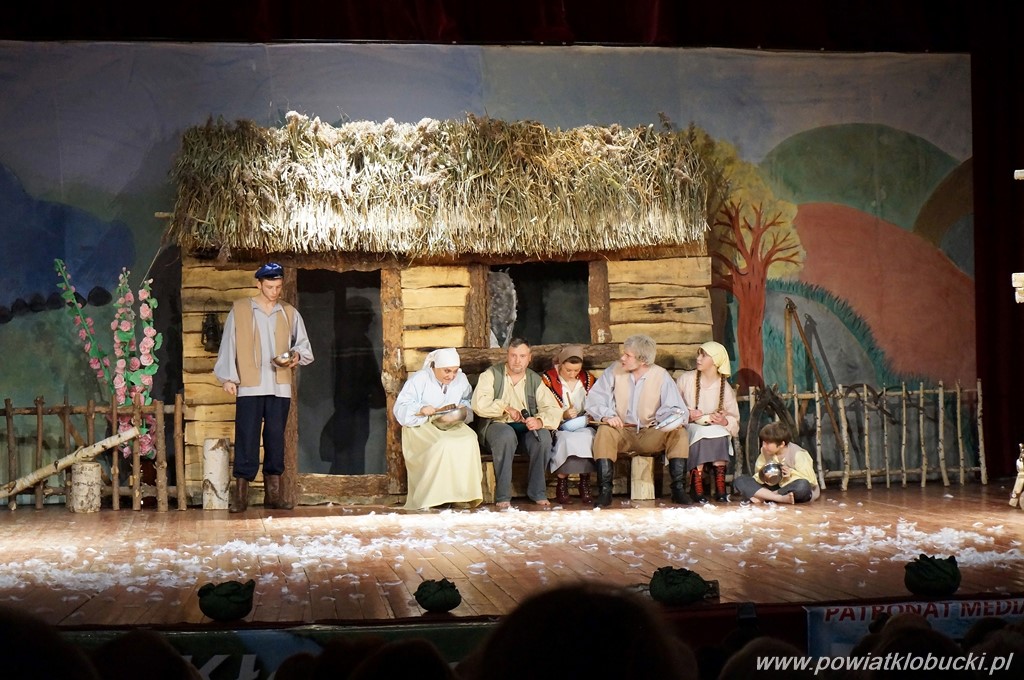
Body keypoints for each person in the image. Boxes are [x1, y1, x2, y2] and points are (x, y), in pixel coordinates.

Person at [214, 262, 314, 513]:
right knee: (246, 437)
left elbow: (303, 346)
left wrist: (295, 356)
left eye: (278, 287)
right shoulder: (241, 310)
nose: (274, 292)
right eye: (270, 287)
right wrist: (228, 378)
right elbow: (228, 345)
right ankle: (241, 495)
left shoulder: (288, 312)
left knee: (275, 439)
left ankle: (274, 494)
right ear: (258, 284)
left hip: (279, 386)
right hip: (250, 385)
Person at [585, 334, 692, 508]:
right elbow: (595, 398)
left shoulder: (660, 375)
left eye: (628, 355)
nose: (622, 358)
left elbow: (674, 407)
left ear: (642, 360)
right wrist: (607, 415)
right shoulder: (614, 370)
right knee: (605, 432)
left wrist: (673, 419)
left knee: (679, 433)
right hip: (622, 431)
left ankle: (678, 489)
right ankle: (605, 491)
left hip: (650, 432)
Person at [471, 338, 562, 509]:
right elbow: (479, 404)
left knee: (542, 438)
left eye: (522, 356)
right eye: (513, 355)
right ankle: (503, 495)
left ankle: (537, 492)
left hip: (525, 430)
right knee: (505, 436)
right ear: (507, 355)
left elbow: (553, 409)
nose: (517, 360)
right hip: (497, 426)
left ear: (529, 358)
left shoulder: (534, 380)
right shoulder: (491, 375)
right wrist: (504, 408)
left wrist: (539, 421)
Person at [393, 347, 483, 510]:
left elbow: (467, 400)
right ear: (435, 367)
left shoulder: (461, 379)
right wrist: (421, 409)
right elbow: (401, 407)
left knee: (469, 439)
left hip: (451, 422)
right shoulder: (420, 379)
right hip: (422, 424)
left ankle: (462, 495)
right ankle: (434, 498)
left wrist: (463, 407)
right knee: (442, 444)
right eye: (447, 371)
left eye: (454, 371)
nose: (451, 376)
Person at [676, 341, 740, 503]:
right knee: (699, 433)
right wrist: (688, 414)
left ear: (715, 361)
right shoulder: (686, 380)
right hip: (690, 426)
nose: (698, 358)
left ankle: (720, 485)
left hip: (713, 427)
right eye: (699, 354)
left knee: (720, 433)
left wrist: (724, 421)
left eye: (704, 356)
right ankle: (696, 484)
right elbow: (672, 406)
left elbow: (734, 418)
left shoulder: (724, 388)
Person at [540, 344, 597, 505]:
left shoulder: (588, 380)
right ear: (560, 365)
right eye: (568, 370)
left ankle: (584, 482)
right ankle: (562, 483)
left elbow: (596, 402)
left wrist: (589, 415)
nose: (572, 374)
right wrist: (563, 414)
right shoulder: (548, 380)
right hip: (559, 425)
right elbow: (543, 405)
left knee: (588, 438)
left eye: (576, 370)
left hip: (583, 424)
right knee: (566, 440)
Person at [733, 421, 821, 504]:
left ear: (782, 444)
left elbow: (811, 481)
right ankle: (778, 498)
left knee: (802, 486)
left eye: (768, 443)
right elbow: (758, 474)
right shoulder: (765, 451)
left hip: (790, 487)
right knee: (740, 480)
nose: (764, 446)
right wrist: (764, 475)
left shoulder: (798, 454)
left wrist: (791, 473)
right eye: (763, 442)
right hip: (773, 487)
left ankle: (763, 496)